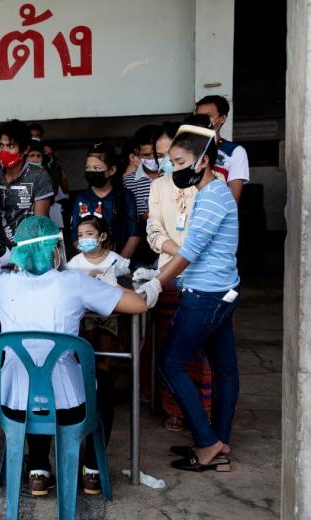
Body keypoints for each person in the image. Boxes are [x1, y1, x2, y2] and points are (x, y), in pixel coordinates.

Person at [0, 216, 147, 495]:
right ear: (53, 250)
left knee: (32, 389)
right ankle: (92, 470)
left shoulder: (4, 285)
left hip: (11, 404)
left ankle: (38, 470)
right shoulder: (75, 282)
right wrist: (111, 285)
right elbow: (138, 304)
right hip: (71, 407)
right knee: (101, 382)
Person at [136, 124, 239, 472]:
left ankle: (208, 442)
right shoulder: (212, 191)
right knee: (225, 369)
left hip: (206, 294)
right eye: (170, 162)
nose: (174, 169)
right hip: (220, 290)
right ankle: (219, 442)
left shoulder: (212, 196)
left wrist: (155, 282)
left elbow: (190, 251)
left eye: (180, 162)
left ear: (204, 161)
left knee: (171, 363)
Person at [144, 121, 213, 432]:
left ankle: (204, 410)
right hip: (169, 272)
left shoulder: (210, 183)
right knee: (167, 343)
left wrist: (188, 254)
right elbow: (153, 231)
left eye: (169, 155)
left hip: (204, 278)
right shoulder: (158, 186)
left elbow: (210, 234)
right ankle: (173, 407)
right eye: (160, 156)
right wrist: (179, 252)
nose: (164, 162)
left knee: (201, 349)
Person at [70, 142, 140, 260]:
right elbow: (74, 237)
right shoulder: (81, 199)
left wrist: (117, 264)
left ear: (111, 170)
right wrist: (93, 260)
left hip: (120, 264)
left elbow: (134, 236)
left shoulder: (126, 197)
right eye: (88, 168)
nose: (91, 172)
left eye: (96, 168)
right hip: (90, 264)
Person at [0, 119, 53, 256]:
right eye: (1, 146)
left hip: (28, 253)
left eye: (10, 146)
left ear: (25, 149)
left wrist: (27, 255)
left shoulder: (39, 176)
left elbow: (40, 222)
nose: (4, 151)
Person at [195, 95, 250, 204]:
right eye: (199, 117)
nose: (203, 121)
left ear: (222, 118)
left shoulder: (235, 152)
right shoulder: (188, 149)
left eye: (208, 116)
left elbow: (232, 201)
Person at [68, 215, 130, 279]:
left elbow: (128, 281)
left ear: (103, 237)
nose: (83, 238)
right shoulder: (75, 262)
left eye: (89, 234)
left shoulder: (115, 260)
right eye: (80, 235)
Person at [123, 125, 162, 218]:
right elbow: (128, 218)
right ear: (137, 152)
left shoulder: (174, 176)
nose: (154, 159)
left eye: (158, 154)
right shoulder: (129, 182)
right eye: (147, 155)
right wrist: (143, 217)